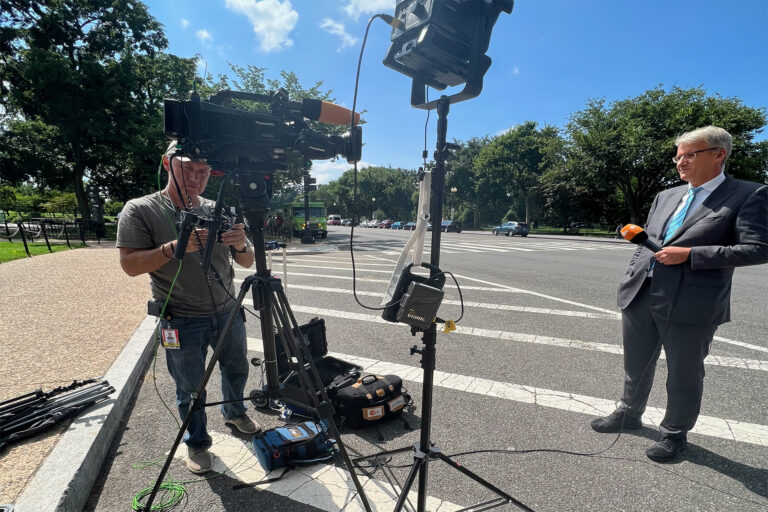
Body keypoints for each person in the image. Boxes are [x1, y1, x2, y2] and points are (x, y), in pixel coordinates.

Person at [591, 126, 768, 462]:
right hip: (642, 291)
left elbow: (758, 249)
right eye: (678, 155)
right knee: (636, 363)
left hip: (693, 299)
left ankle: (674, 434)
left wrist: (691, 255)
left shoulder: (749, 193)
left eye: (690, 154)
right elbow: (651, 240)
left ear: (719, 155)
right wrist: (634, 269)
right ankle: (629, 414)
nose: (680, 162)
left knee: (684, 372)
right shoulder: (666, 196)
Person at [116, 140, 260, 474]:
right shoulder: (141, 209)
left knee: (237, 368)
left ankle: (235, 412)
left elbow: (248, 260)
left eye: (203, 171)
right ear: (168, 165)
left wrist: (240, 243)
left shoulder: (218, 208)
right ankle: (197, 442)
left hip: (227, 311)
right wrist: (172, 248)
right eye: (188, 169)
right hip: (179, 318)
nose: (196, 177)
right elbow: (130, 265)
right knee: (189, 387)